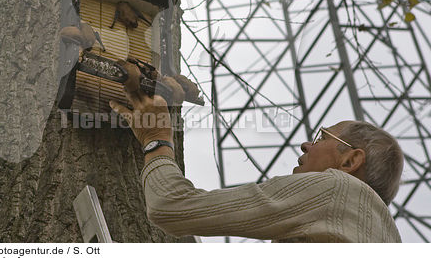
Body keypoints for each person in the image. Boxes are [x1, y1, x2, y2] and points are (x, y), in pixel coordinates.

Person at [109, 62, 404, 243]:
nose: (306, 145)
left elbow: (170, 206)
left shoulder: (335, 189)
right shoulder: (387, 239)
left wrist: (156, 139)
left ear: (350, 160)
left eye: (321, 137)